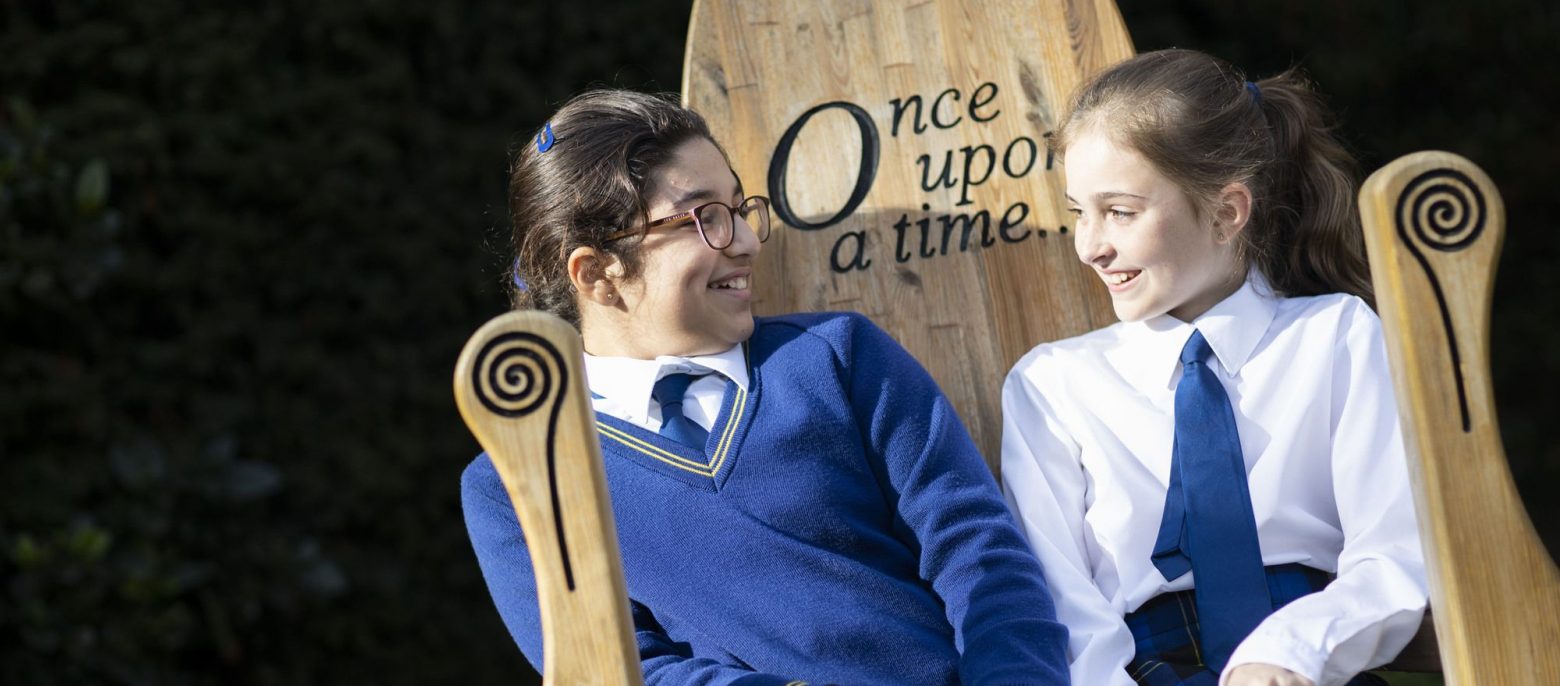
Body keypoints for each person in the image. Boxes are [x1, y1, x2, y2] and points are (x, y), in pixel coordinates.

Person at [462, 89, 1069, 685]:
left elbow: (979, 554)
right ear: (596, 272)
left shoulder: (838, 356)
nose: (748, 242)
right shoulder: (519, 483)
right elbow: (629, 674)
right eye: (705, 218)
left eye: (739, 208)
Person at [1000, 49, 1428, 686]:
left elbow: (1397, 550)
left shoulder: (1338, 337)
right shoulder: (1049, 387)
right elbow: (1064, 607)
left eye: (1119, 211)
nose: (1090, 246)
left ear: (1228, 211)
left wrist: (1288, 652)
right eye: (1077, 213)